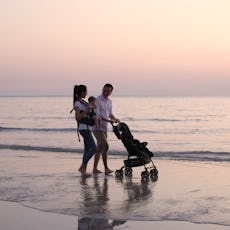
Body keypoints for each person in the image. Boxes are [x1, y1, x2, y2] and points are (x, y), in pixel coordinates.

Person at [93, 83, 120, 174]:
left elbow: (109, 114)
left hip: (104, 128)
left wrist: (115, 119)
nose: (106, 92)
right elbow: (98, 114)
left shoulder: (109, 101)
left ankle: (95, 169)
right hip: (97, 127)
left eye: (108, 91)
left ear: (111, 92)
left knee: (100, 148)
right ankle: (106, 168)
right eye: (104, 90)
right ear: (102, 89)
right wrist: (109, 121)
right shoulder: (98, 100)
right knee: (105, 145)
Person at [74, 85, 97, 177]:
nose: (87, 93)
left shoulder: (83, 102)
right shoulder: (77, 104)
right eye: (85, 91)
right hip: (83, 129)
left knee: (87, 149)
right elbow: (77, 118)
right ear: (82, 92)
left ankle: (84, 170)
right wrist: (86, 111)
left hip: (88, 128)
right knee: (94, 148)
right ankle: (82, 167)